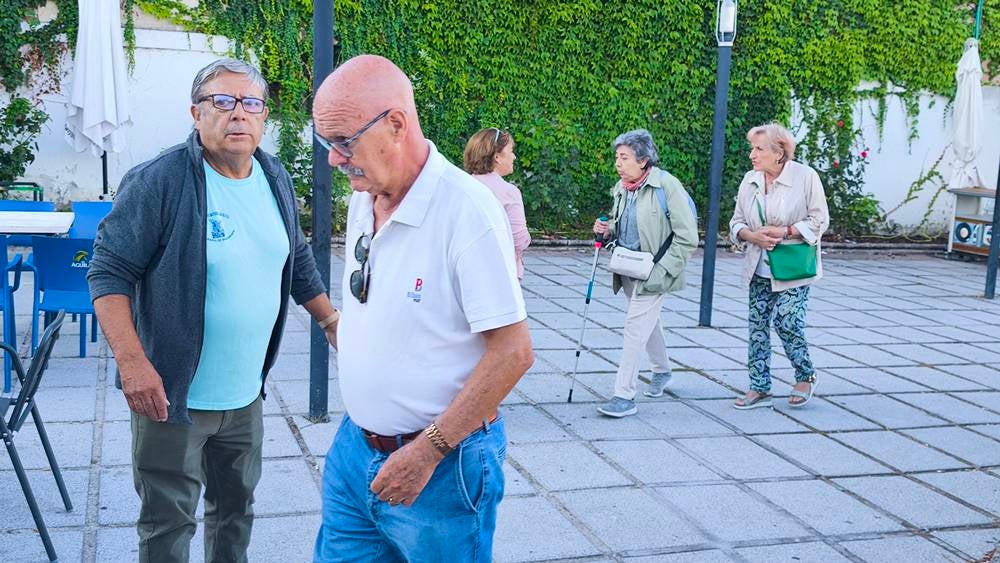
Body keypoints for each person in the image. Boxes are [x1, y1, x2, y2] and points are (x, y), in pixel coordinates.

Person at [87, 58, 340, 563]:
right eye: (222, 102)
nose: (238, 115)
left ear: (264, 116)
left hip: (245, 395)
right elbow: (108, 272)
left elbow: (298, 262)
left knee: (235, 514)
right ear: (195, 113)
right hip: (173, 396)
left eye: (251, 104)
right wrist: (133, 363)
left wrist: (333, 323)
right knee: (167, 526)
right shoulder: (160, 180)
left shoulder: (273, 175)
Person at [311, 54, 534, 562]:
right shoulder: (363, 196)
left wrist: (427, 450)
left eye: (344, 142)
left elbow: (514, 352)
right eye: (327, 143)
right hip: (354, 450)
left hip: (440, 467)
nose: (334, 159)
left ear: (396, 124)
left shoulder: (466, 210)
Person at [592, 129, 698, 418]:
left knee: (634, 327)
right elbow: (620, 224)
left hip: (655, 270)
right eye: (617, 157)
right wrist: (606, 228)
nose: (618, 163)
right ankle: (662, 371)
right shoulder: (622, 187)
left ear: (643, 160)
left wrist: (662, 272)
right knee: (647, 322)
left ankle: (623, 394)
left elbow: (687, 237)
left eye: (624, 157)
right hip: (628, 268)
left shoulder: (667, 186)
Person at [728, 122, 830, 410]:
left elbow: (820, 220)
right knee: (757, 328)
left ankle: (805, 375)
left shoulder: (805, 177)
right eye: (752, 148)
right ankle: (759, 387)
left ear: (780, 152)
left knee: (788, 321)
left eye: (758, 149)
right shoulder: (750, 180)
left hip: (794, 267)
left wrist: (786, 232)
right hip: (758, 266)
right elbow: (736, 222)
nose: (752, 154)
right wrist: (752, 236)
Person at [463, 128, 531, 279]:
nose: (514, 156)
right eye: (511, 151)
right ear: (497, 157)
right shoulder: (509, 192)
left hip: (467, 270)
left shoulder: (463, 186)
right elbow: (519, 241)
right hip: (501, 274)